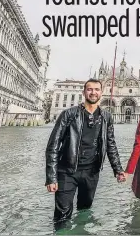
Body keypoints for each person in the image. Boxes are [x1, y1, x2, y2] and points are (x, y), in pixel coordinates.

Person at [45, 78, 126, 228]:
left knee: (84, 211)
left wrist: (118, 170)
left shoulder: (106, 117)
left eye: (96, 89)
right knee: (62, 215)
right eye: (90, 89)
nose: (93, 92)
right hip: (67, 171)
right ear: (84, 92)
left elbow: (110, 144)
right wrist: (51, 177)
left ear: (101, 93)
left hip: (91, 173)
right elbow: (53, 146)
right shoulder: (69, 114)